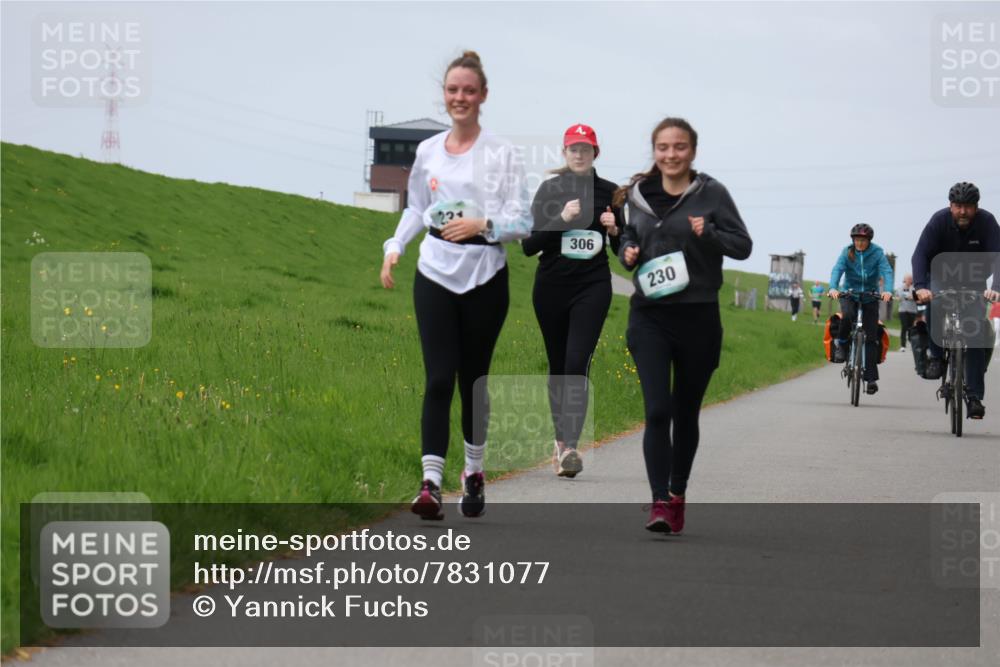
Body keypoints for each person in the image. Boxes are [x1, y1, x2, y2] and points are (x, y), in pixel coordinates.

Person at [380, 51, 531, 519]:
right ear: (443, 96)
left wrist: (483, 226)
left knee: (474, 381)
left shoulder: (502, 153)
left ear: (483, 96)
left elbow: (524, 220)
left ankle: (473, 472)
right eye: (452, 90)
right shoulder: (427, 151)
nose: (460, 98)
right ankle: (428, 484)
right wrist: (396, 246)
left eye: (468, 90)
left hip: (486, 276)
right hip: (435, 273)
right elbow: (415, 209)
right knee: (439, 377)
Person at [615, 117, 752, 533]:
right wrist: (627, 252)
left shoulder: (712, 194)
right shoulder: (637, 197)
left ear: (692, 151)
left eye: (679, 147)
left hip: (698, 317)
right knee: (657, 410)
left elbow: (743, 246)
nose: (671, 155)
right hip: (649, 316)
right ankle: (659, 502)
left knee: (685, 412)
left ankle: (677, 493)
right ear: (654, 151)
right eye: (663, 147)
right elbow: (624, 239)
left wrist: (709, 232)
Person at [523, 124, 624, 478]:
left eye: (585, 148)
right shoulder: (550, 189)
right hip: (551, 288)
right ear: (565, 153)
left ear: (596, 153)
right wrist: (561, 220)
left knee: (577, 362)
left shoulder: (612, 193)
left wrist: (615, 231)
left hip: (592, 287)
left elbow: (623, 251)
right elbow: (529, 245)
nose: (579, 154)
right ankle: (560, 440)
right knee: (558, 365)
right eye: (573, 149)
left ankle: (568, 447)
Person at [912, 182, 1000, 420]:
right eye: (958, 206)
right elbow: (920, 254)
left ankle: (974, 398)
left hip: (974, 282)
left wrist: (996, 288)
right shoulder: (938, 221)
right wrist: (921, 287)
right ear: (951, 206)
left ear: (976, 207)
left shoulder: (987, 223)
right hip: (940, 278)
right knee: (935, 303)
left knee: (974, 336)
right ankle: (936, 356)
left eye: (968, 207)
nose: (963, 212)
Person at [828, 224, 894, 395]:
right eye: (857, 240)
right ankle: (841, 345)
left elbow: (886, 270)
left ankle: (871, 379)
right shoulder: (847, 252)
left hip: (870, 296)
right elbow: (838, 269)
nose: (859, 243)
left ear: (869, 241)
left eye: (863, 240)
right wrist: (833, 287)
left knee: (871, 337)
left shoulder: (877, 252)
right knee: (847, 316)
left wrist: (887, 290)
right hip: (850, 293)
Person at [895, 274, 918, 351]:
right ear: (904, 280)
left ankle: (911, 343)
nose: (909, 280)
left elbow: (917, 298)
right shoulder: (899, 288)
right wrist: (898, 298)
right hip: (903, 310)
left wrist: (912, 297)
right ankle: (902, 346)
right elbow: (896, 297)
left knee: (911, 328)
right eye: (907, 279)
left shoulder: (914, 289)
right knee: (904, 326)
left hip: (912, 310)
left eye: (910, 279)